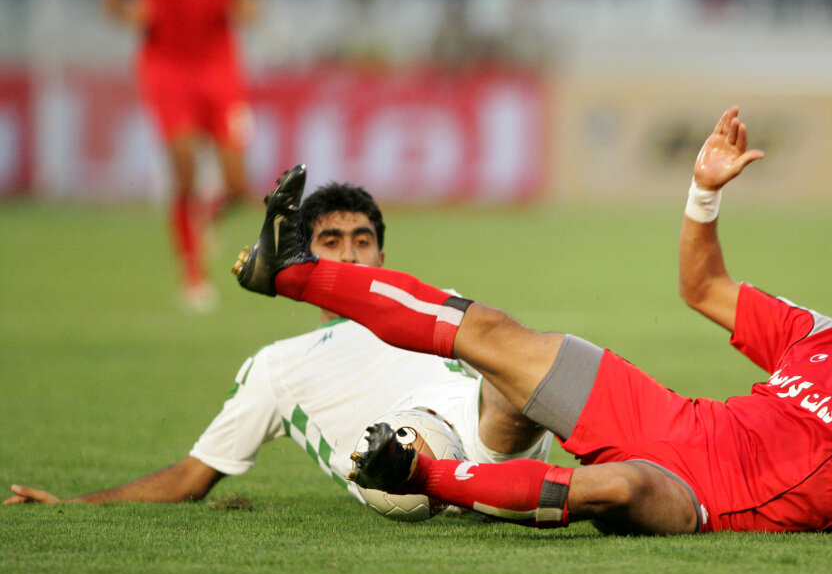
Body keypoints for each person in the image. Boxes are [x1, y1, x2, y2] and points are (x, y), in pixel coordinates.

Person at [231, 108, 832, 540]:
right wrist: (704, 191)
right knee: (497, 333)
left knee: (619, 488)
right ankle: (292, 270)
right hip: (670, 419)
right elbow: (703, 286)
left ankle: (426, 477)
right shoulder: (814, 334)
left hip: (701, 501)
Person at [5, 181, 550, 507]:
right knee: (410, 441)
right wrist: (73, 504)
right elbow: (193, 475)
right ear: (302, 259)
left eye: (362, 241)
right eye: (331, 242)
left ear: (382, 258)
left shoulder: (428, 304)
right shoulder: (277, 366)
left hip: (483, 429)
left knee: (531, 373)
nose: (350, 256)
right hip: (396, 461)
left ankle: (591, 466)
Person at [101, 0, 260, 311]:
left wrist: (248, 6)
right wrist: (129, 13)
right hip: (166, 66)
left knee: (238, 185)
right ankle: (193, 276)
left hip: (220, 64)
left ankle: (206, 218)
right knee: (184, 166)